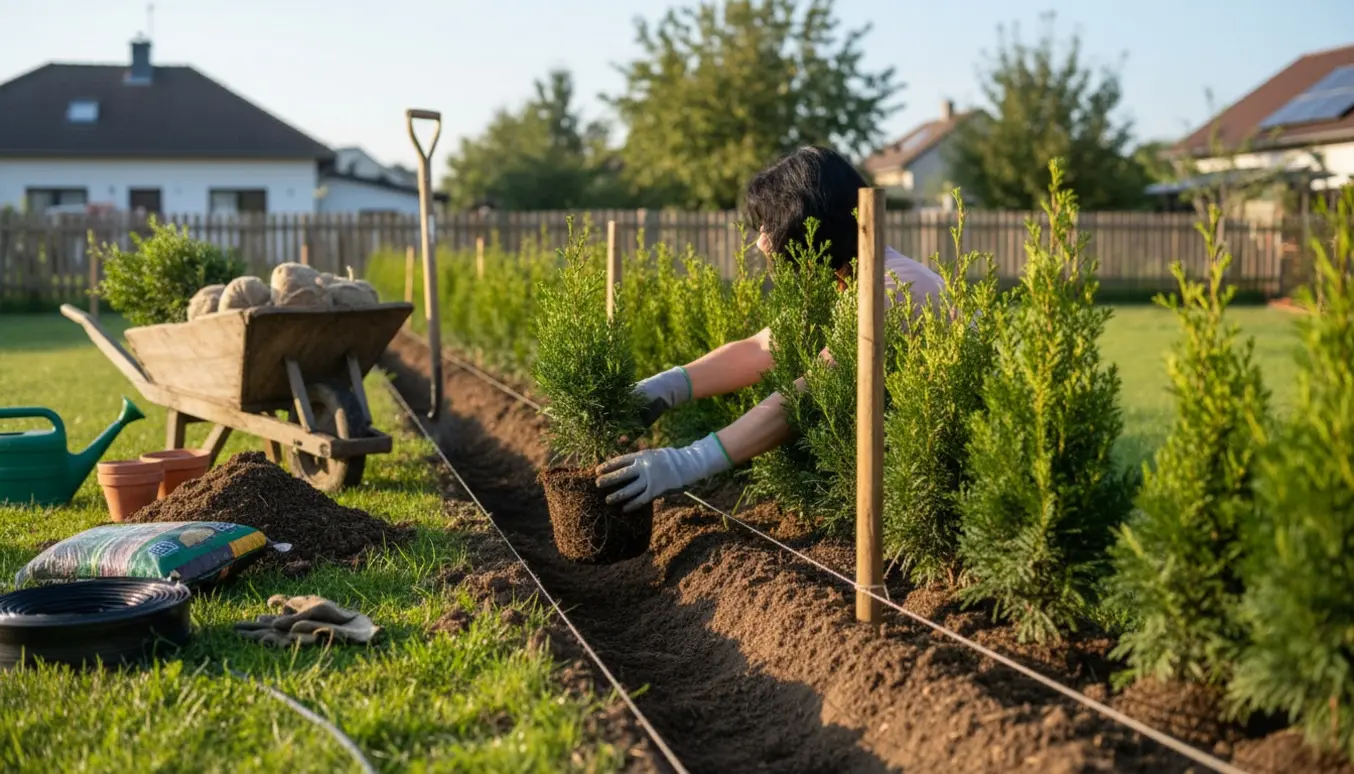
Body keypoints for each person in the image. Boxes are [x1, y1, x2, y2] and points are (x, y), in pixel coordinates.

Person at [595, 145, 946, 512]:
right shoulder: (842, 279)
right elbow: (761, 349)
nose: (761, 242)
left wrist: (687, 462)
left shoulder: (889, 289)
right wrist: (664, 387)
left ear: (809, 224)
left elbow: (809, 392)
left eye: (770, 226)